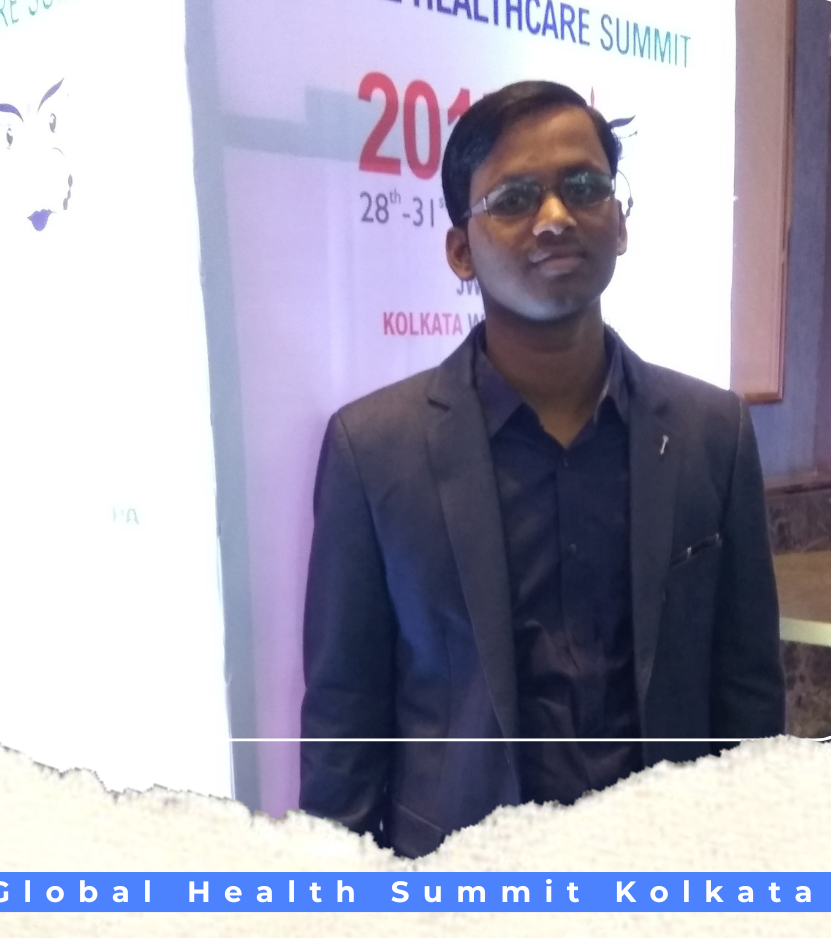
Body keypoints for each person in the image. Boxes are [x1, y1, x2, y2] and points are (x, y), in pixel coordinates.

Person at [299, 79, 786, 859]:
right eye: (515, 198)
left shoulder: (710, 433)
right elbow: (344, 720)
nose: (555, 217)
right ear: (461, 249)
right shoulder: (374, 450)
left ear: (619, 221)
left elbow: (749, 697)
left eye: (584, 187)